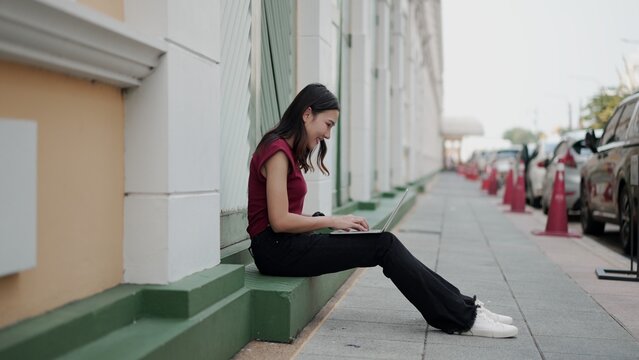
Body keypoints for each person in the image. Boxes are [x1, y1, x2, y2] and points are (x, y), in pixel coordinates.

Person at [247, 83, 518, 338]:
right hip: (276, 252)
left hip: (286, 245)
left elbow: (281, 217)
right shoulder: (277, 152)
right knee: (383, 245)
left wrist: (326, 221)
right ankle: (462, 318)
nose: (328, 134)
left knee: (383, 243)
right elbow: (279, 221)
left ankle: (465, 306)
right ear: (307, 114)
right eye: (327, 124)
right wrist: (331, 220)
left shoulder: (284, 151)